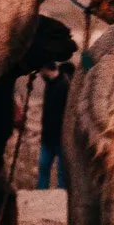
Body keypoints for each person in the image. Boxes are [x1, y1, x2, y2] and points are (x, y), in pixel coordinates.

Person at [36, 61, 71, 190]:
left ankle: (60, 196)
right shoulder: (49, 85)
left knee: (61, 173)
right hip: (48, 137)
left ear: (45, 69)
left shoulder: (65, 85)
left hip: (61, 137)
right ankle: (41, 193)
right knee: (43, 166)